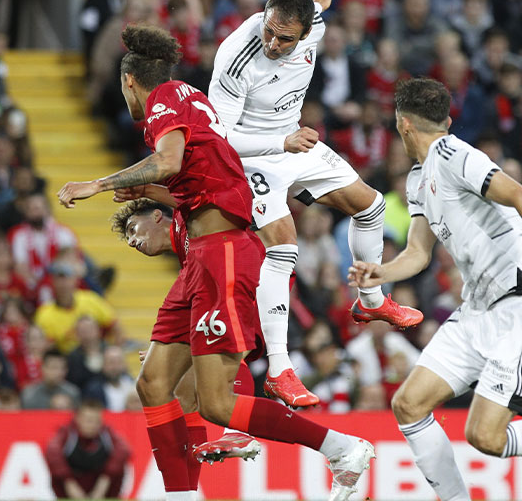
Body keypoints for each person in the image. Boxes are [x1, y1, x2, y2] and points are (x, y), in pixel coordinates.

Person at [58, 25, 374, 501]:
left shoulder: (164, 99)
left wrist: (97, 184)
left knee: (217, 403)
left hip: (223, 251)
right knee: (154, 383)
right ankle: (181, 496)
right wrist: (147, 188)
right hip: (201, 258)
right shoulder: (189, 97)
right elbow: (202, 179)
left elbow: (169, 161)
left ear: (129, 81)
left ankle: (341, 448)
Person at [207, 0, 421, 407]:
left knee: (371, 205)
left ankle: (370, 301)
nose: (272, 43)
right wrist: (280, 144)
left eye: (285, 38)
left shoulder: (315, 26)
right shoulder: (236, 56)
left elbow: (317, 6)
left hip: (294, 141)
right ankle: (279, 369)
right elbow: (219, 138)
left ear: (306, 33)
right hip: (251, 157)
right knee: (283, 247)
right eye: (269, 31)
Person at [348, 77, 522, 501]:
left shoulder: (454, 154)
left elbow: (517, 193)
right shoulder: (417, 178)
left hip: (514, 306)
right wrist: (381, 272)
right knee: (408, 405)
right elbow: (418, 253)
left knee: (485, 436)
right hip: (475, 310)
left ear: (403, 124)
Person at [45, 399, 131, 499]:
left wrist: (104, 480)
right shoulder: (66, 432)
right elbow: (52, 452)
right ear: (78, 419)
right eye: (89, 420)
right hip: (70, 488)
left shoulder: (106, 432)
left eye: (97, 421)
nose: (93, 425)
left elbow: (124, 450)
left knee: (119, 466)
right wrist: (69, 482)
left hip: (102, 489)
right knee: (56, 469)